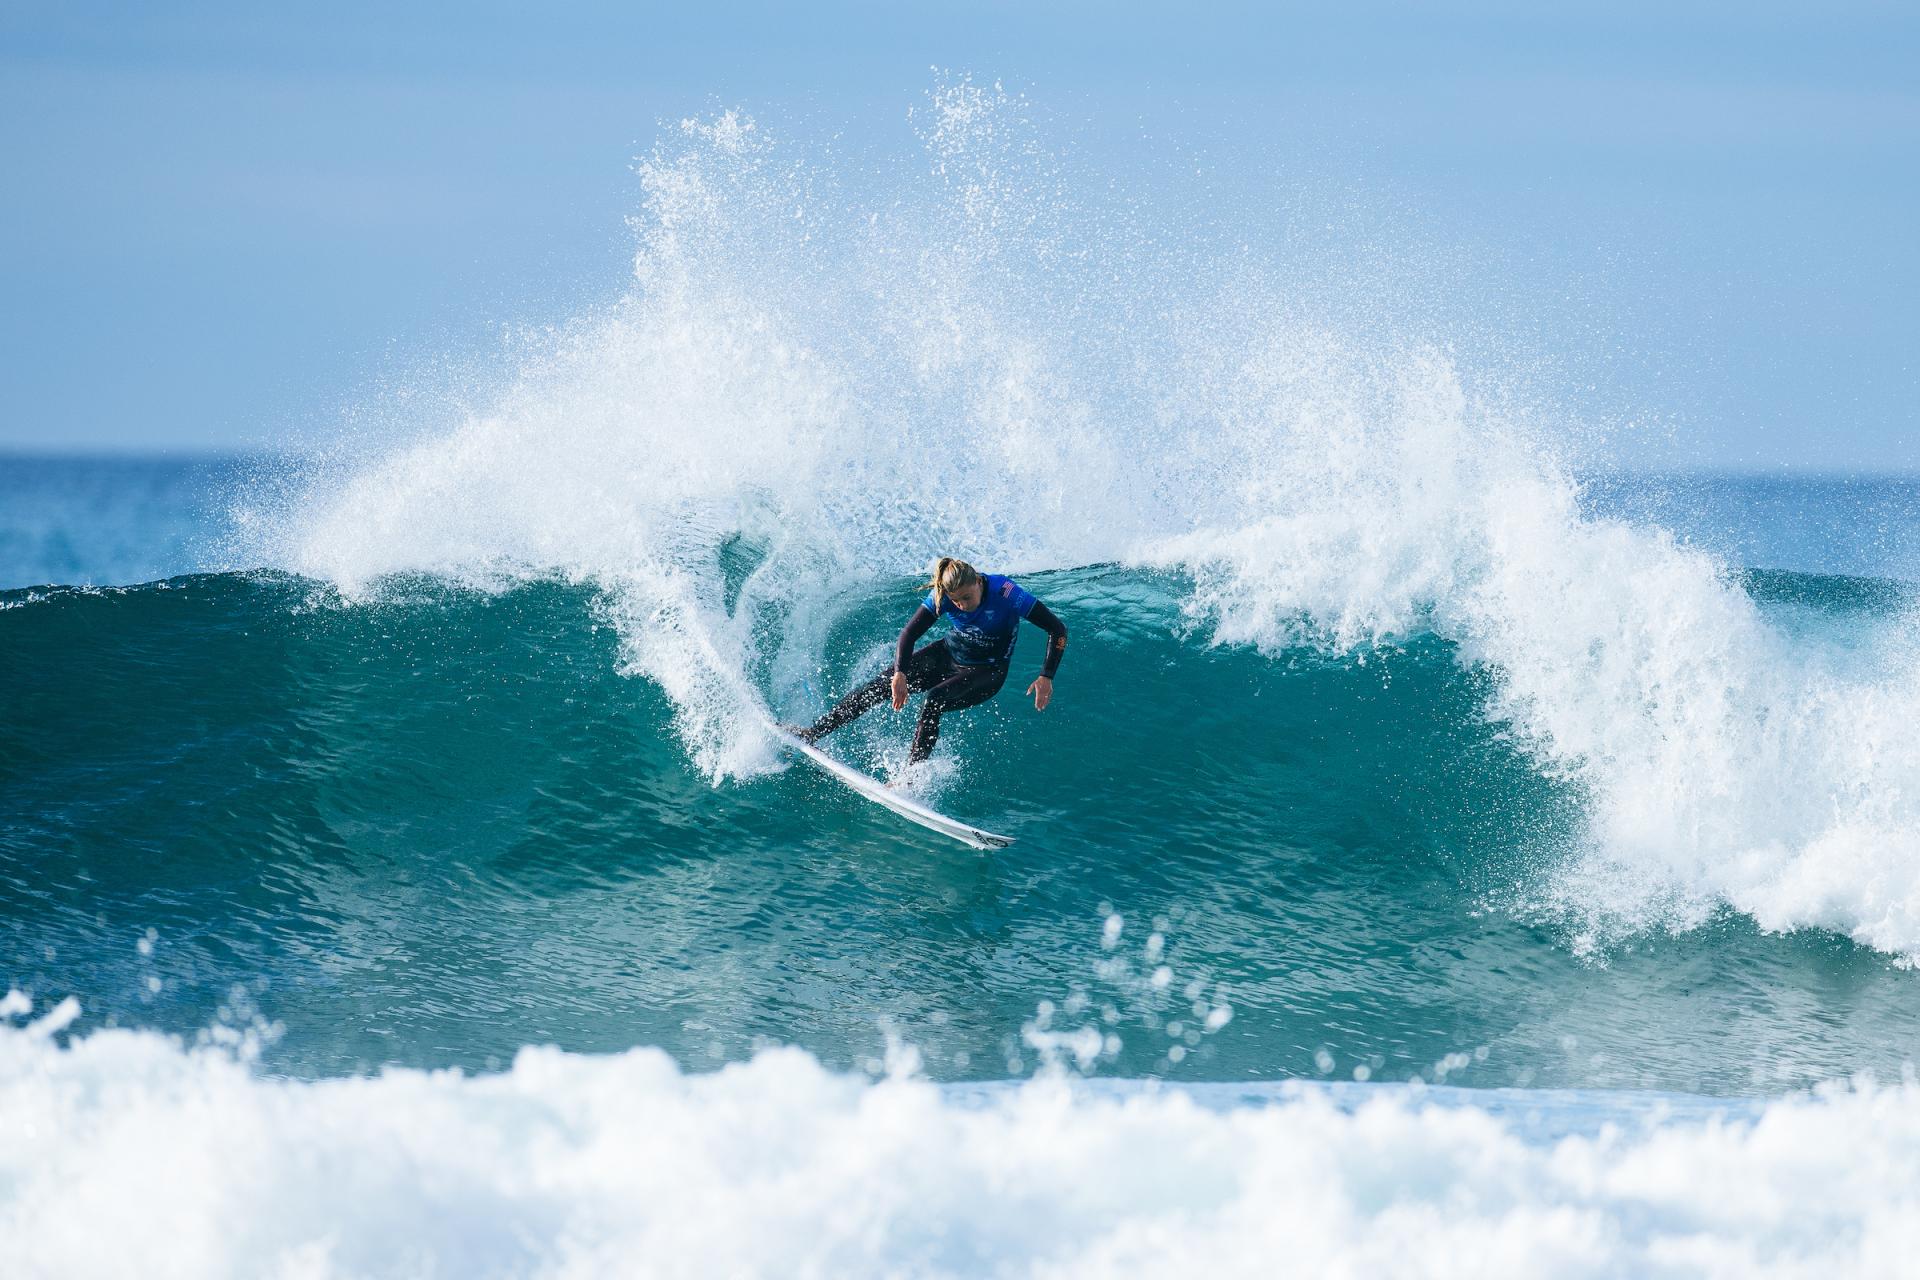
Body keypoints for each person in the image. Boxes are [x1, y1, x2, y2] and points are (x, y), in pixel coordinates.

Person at [792, 557, 1068, 764]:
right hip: (948, 654)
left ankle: (909, 779)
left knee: (933, 699)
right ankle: (812, 732)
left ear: (978, 582)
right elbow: (909, 633)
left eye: (967, 597)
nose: (961, 604)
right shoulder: (942, 595)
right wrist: (900, 673)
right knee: (879, 686)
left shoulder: (1005, 592)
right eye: (955, 600)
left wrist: (1047, 675)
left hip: (987, 671)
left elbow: (1058, 629)